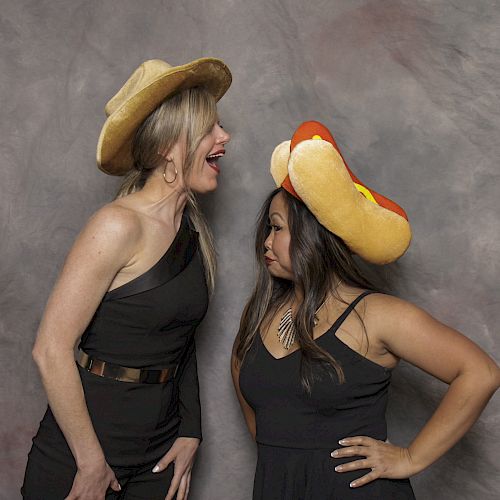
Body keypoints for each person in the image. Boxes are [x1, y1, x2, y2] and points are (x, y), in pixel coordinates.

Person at [231, 121, 500, 499]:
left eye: (276, 228)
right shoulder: (258, 314)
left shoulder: (376, 315)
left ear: (314, 237)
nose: (266, 241)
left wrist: (410, 457)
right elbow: (266, 424)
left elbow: (480, 372)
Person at [22, 57, 231, 500]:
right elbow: (50, 349)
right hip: (87, 452)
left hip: (159, 451)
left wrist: (190, 429)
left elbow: (183, 338)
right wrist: (91, 462)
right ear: (168, 147)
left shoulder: (192, 231)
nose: (224, 138)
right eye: (210, 129)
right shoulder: (117, 225)